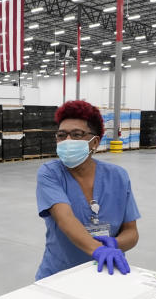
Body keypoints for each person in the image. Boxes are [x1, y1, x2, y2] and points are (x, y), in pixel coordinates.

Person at [36, 101, 139, 279]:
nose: (67, 141)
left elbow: (132, 232)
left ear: (95, 142)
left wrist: (115, 243)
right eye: (61, 135)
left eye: (77, 135)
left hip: (105, 272)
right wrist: (99, 250)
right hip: (60, 276)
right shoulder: (50, 173)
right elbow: (65, 219)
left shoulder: (118, 176)